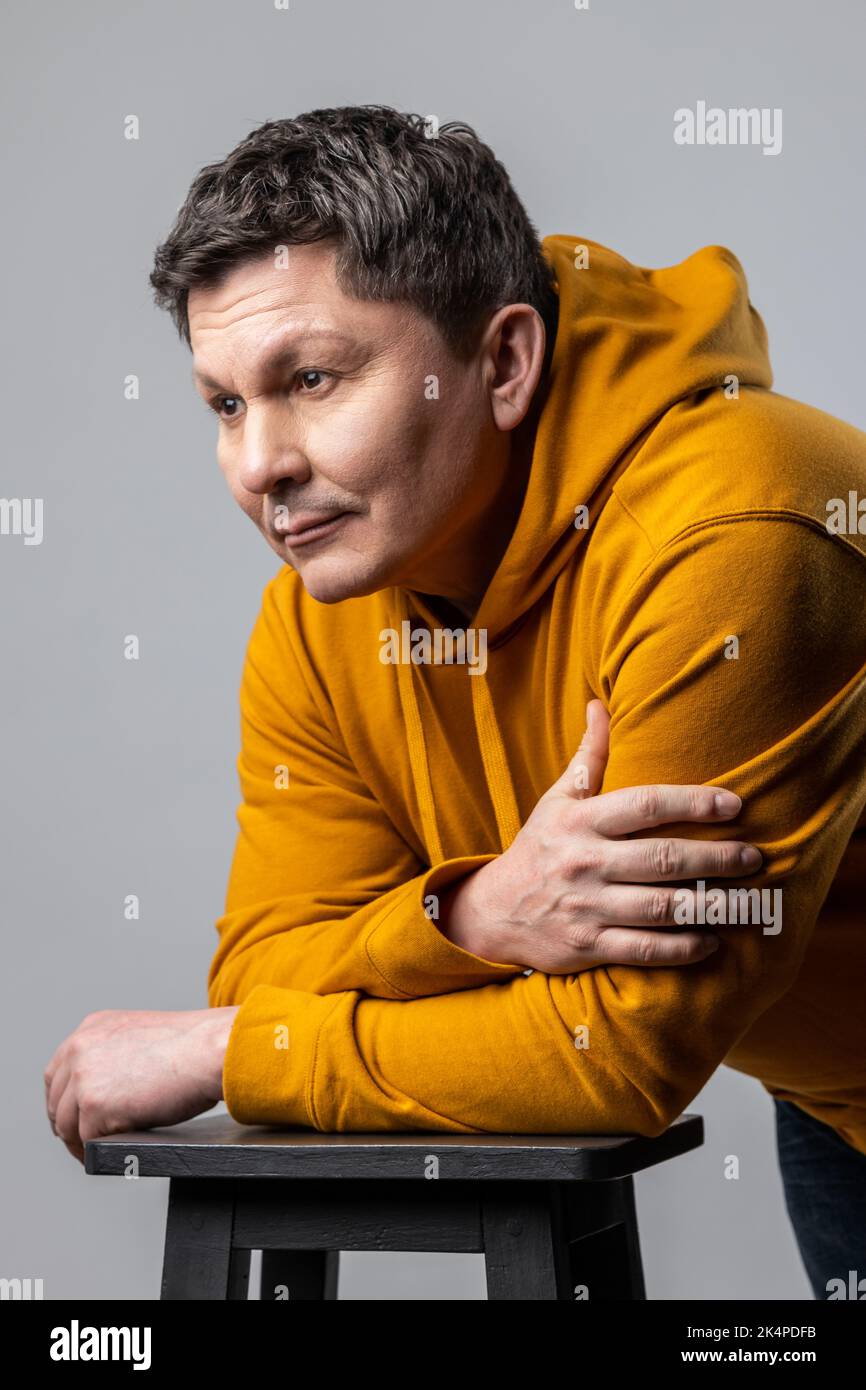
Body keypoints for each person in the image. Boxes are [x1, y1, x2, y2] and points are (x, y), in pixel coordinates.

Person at [44, 105, 866, 1298]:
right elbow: (268, 964)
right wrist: (472, 915)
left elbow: (613, 1050)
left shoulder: (735, 534)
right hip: (835, 1096)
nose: (258, 463)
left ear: (501, 362)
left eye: (311, 378)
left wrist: (234, 1055)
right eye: (224, 404)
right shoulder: (319, 608)